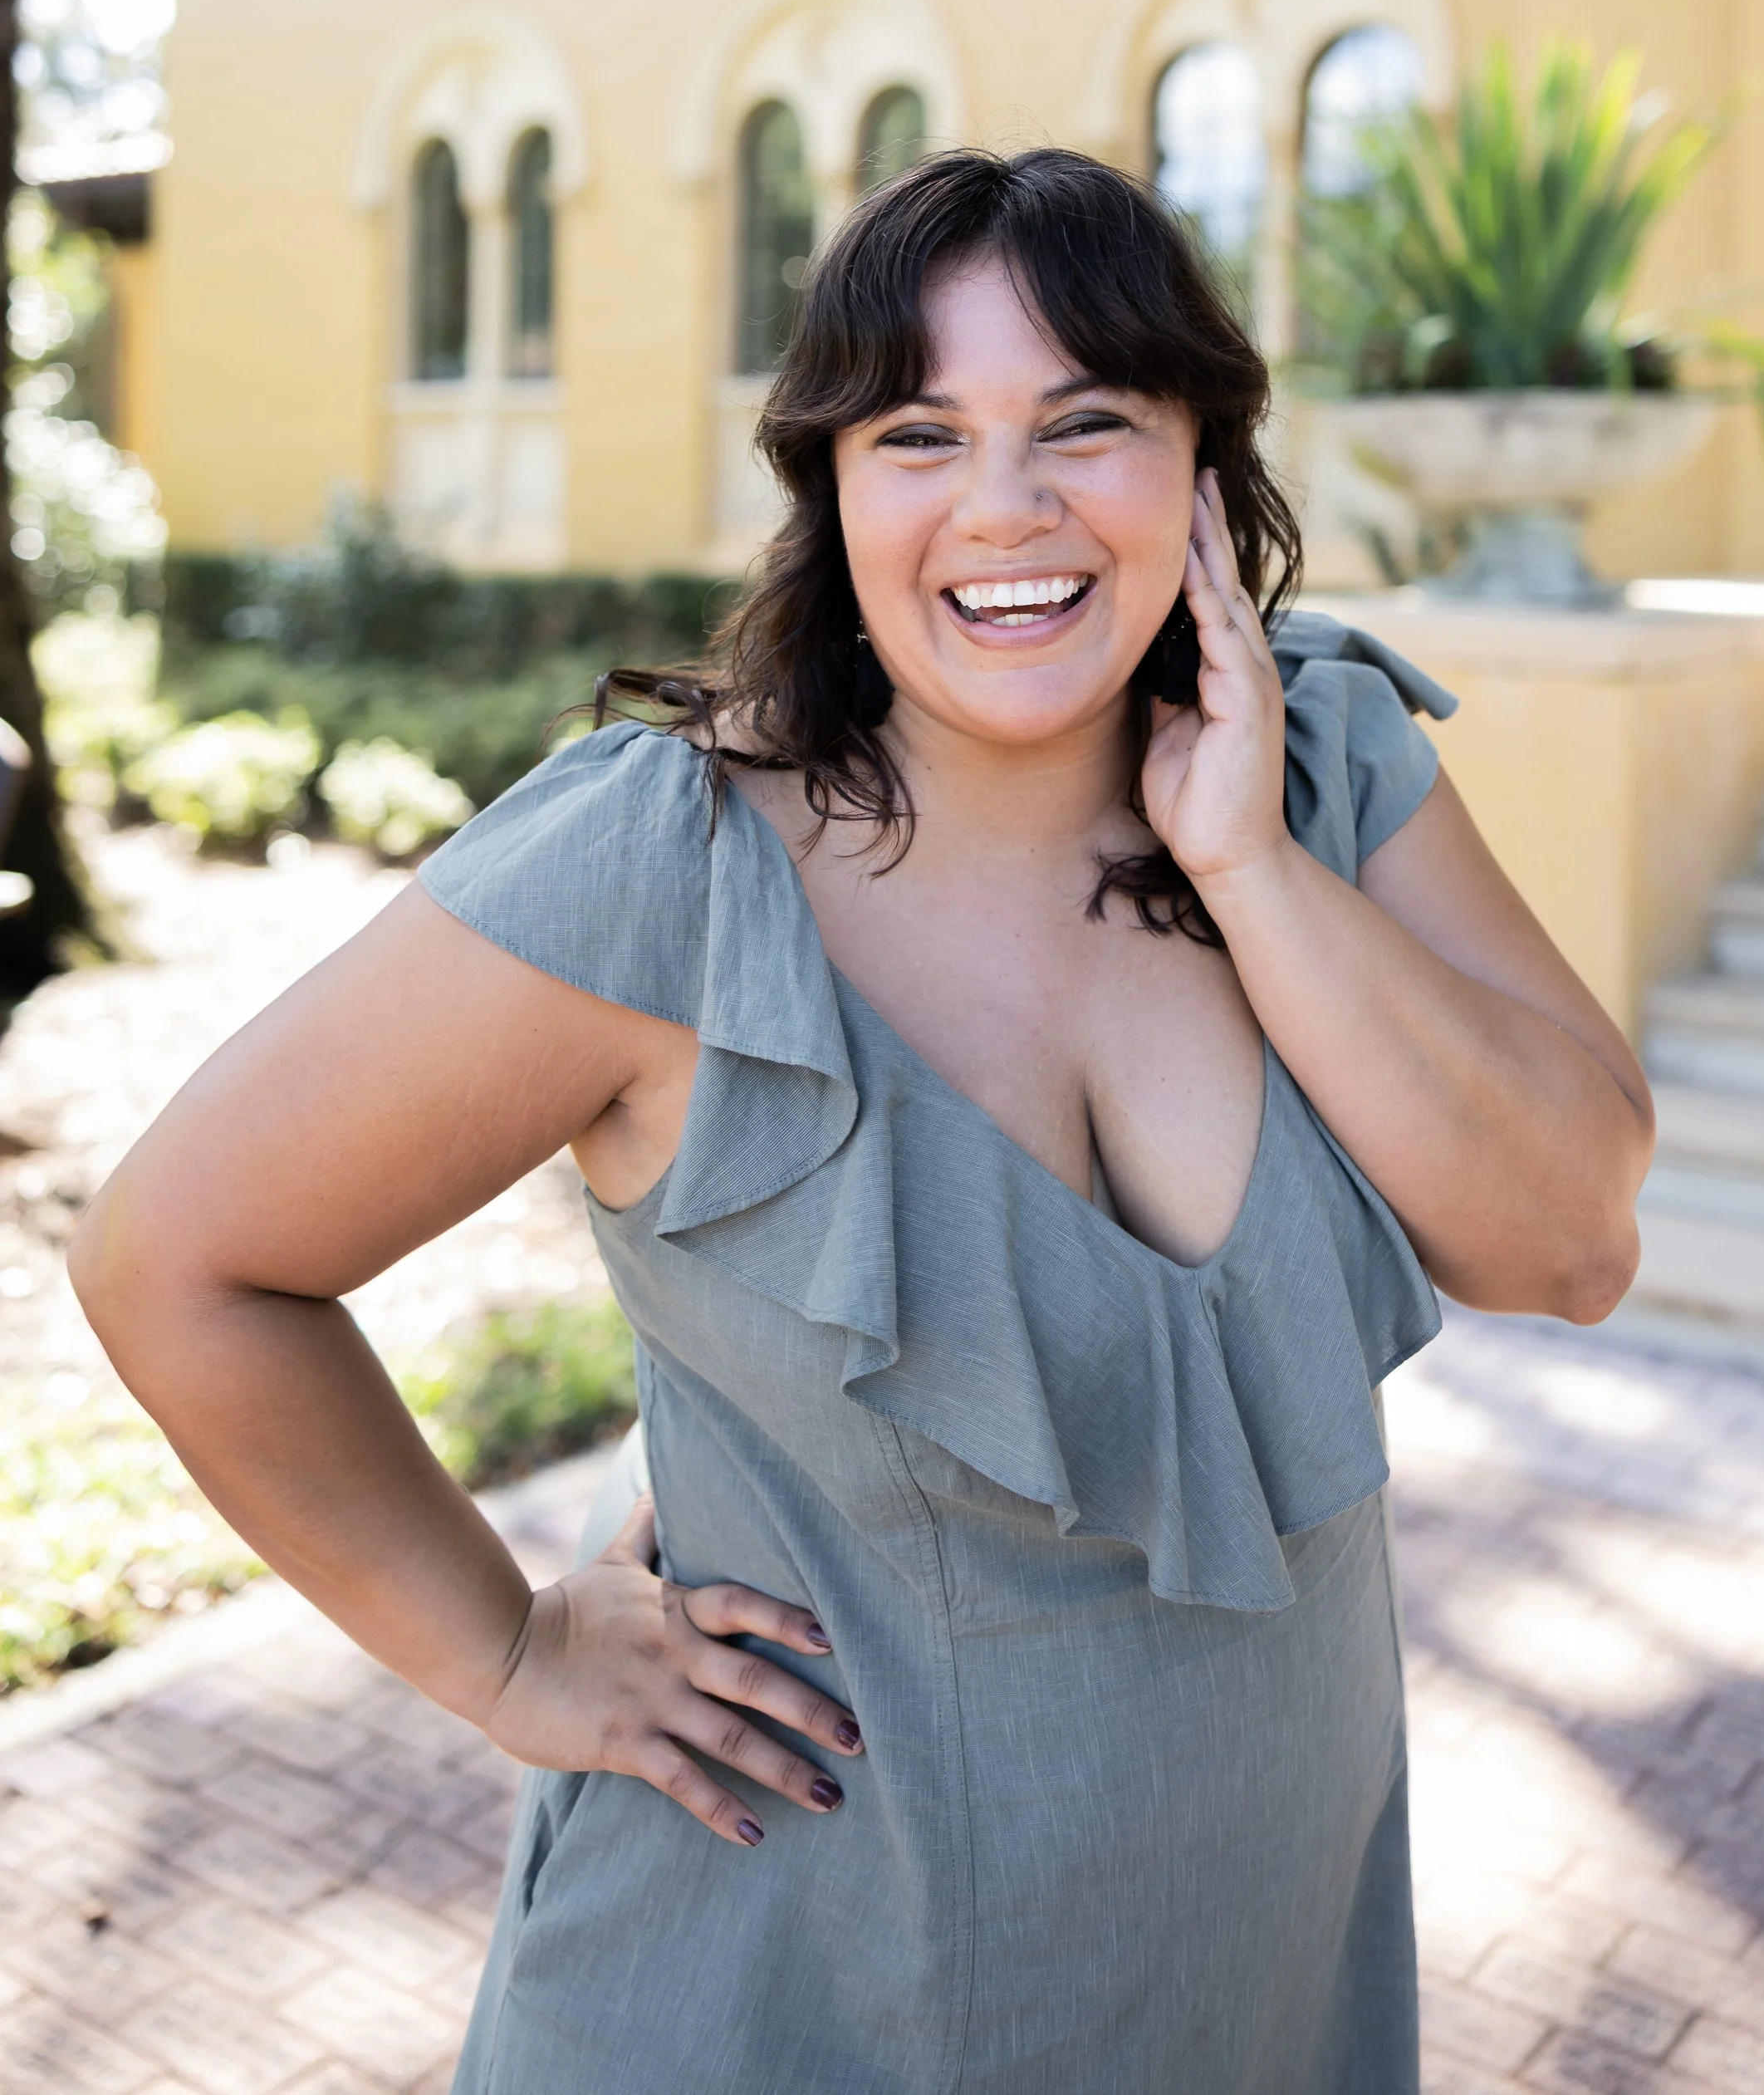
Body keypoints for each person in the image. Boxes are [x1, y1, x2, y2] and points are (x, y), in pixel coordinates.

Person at [71, 146, 1652, 2095]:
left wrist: (1244, 865)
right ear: (831, 483)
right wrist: (497, 1653)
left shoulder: (1323, 762)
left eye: (1087, 423)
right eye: (921, 433)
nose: (1006, 506)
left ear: (1201, 462)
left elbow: (1565, 1241)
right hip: (787, 1992)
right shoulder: (663, 867)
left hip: (1258, 1975)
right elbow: (179, 1260)